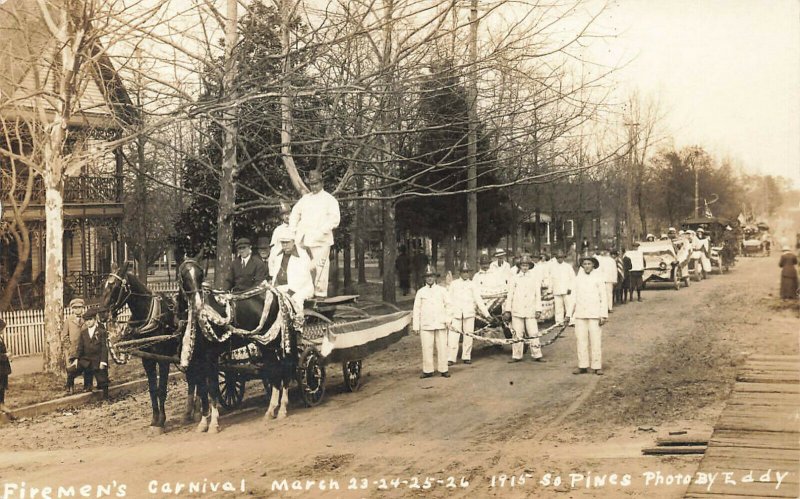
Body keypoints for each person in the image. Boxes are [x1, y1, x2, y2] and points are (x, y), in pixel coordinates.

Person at [289, 170, 341, 298]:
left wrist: (321, 231)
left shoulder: (330, 199)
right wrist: (294, 229)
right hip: (304, 240)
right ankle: (305, 292)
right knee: (303, 267)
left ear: (322, 183)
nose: (314, 187)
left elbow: (334, 220)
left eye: (316, 183)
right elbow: (295, 213)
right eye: (312, 184)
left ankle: (320, 295)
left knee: (320, 268)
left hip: (321, 240)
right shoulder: (305, 199)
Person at [565, 256, 608, 375]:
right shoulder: (578, 279)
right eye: (585, 264)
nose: (587, 266)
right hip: (580, 314)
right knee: (581, 340)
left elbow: (603, 298)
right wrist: (569, 314)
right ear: (582, 266)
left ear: (593, 265)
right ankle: (582, 365)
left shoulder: (599, 278)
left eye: (589, 263)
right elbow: (573, 298)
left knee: (595, 341)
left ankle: (597, 365)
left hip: (595, 314)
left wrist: (603, 315)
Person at [502, 254, 545, 363]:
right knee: (517, 333)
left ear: (529, 266)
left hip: (530, 309)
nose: (525, 267)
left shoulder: (534, 278)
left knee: (533, 333)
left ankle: (537, 354)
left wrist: (538, 309)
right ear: (519, 266)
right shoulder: (514, 278)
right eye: (523, 265)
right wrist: (508, 310)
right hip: (517, 309)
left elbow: (537, 295)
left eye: (527, 265)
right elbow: (510, 295)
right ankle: (517, 355)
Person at [412, 265, 452, 378]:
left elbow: (449, 306)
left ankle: (444, 369)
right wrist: (416, 326)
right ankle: (428, 370)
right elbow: (416, 309)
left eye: (432, 276)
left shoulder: (442, 291)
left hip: (440, 323)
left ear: (435, 277)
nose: (429, 278)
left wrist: (448, 320)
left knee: (442, 347)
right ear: (424, 278)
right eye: (427, 276)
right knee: (426, 347)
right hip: (426, 324)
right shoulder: (420, 292)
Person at [448, 261, 491, 365]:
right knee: (453, 336)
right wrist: (448, 316)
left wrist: (487, 315)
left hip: (469, 314)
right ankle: (451, 358)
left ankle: (466, 356)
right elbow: (448, 301)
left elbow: (478, 300)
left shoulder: (472, 285)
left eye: (467, 272)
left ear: (470, 273)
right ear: (460, 273)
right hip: (456, 314)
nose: (465, 274)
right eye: (463, 272)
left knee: (468, 335)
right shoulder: (454, 284)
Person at [66, 309, 109, 399]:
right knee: (72, 370)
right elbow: (80, 347)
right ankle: (69, 387)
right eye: (86, 320)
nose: (88, 322)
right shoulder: (84, 333)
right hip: (86, 360)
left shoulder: (101, 332)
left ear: (94, 320)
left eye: (90, 320)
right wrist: (76, 359)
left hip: (97, 360)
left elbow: (104, 348)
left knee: (103, 381)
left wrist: (103, 362)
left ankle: (105, 397)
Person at [269, 230, 315, 310]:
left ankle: (298, 320)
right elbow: (275, 273)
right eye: (283, 243)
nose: (285, 245)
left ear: (293, 242)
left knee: (296, 299)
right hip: (283, 287)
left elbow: (304, 278)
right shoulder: (278, 256)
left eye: (287, 242)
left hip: (301, 288)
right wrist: (274, 286)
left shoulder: (302, 255)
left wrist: (291, 291)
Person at [62, 298, 85, 392]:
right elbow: (64, 335)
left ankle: (87, 386)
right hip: (72, 349)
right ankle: (69, 386)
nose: (77, 310)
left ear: (82, 308)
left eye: (79, 307)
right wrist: (69, 346)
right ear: (72, 309)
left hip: (84, 348)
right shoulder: (69, 320)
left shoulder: (85, 318)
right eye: (75, 308)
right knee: (71, 369)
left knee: (85, 366)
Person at [550, 252, 575, 326]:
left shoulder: (568, 267)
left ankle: (571, 320)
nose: (560, 259)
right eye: (558, 258)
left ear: (563, 258)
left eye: (561, 257)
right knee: (558, 307)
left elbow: (572, 278)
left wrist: (570, 288)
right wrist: (550, 289)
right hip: (557, 289)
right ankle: (559, 321)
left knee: (569, 305)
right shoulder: (553, 267)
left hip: (566, 289)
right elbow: (551, 278)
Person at [594, 248, 617, 313]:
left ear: (608, 253)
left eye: (606, 252)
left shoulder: (612, 260)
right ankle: (602, 308)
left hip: (609, 279)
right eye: (603, 252)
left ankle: (610, 307)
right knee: (601, 294)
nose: (604, 253)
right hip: (601, 279)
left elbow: (614, 270)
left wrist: (614, 279)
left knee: (609, 293)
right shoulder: (599, 259)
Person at [0, 318, 10, 413]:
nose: (3, 330)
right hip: (0, 367)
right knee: (0, 386)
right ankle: (1, 404)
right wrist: (5, 355)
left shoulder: (0, 338)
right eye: (2, 328)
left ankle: (2, 404)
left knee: (3, 385)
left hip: (3, 367)